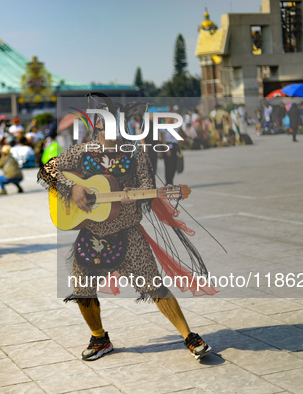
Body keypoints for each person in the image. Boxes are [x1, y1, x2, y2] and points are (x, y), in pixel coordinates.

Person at [38, 98, 214, 362]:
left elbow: (146, 187)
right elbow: (47, 169)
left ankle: (189, 336)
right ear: (96, 128)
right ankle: (99, 338)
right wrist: (72, 188)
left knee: (154, 285)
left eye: (114, 127)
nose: (109, 133)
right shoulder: (81, 151)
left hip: (128, 232)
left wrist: (138, 196)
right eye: (104, 127)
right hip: (92, 234)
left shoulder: (135, 153)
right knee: (82, 288)